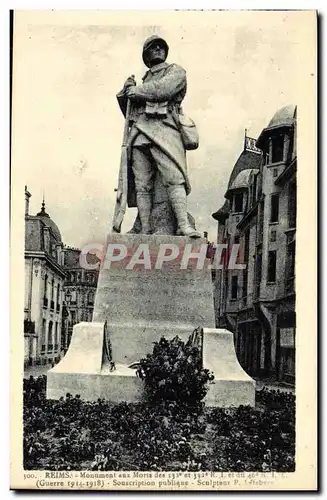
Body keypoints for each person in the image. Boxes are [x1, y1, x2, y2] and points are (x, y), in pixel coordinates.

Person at [116, 35, 201, 238]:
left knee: (175, 178)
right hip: (140, 133)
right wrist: (125, 92)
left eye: (161, 47)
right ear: (145, 55)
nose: (157, 49)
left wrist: (136, 91)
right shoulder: (141, 82)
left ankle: (183, 225)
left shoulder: (176, 71)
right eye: (152, 47)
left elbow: (163, 90)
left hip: (165, 129)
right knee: (142, 184)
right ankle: (145, 228)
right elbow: (129, 112)